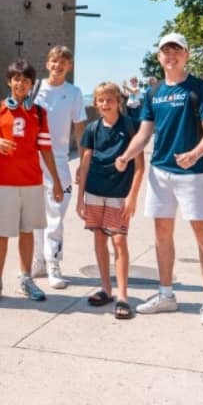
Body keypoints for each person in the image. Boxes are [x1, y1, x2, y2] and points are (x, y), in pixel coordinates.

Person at [115, 33, 203, 326]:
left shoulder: (199, 88)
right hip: (160, 172)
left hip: (192, 173)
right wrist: (126, 155)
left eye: (176, 50)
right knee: (162, 234)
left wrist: (195, 153)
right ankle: (166, 295)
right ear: (159, 57)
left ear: (186, 55)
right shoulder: (155, 93)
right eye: (166, 51)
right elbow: (144, 132)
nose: (170, 55)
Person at [0, 60, 64, 304]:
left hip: (32, 182)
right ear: (9, 81)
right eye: (17, 79)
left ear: (31, 85)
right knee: (1, 233)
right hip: (4, 182)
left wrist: (56, 182)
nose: (21, 84)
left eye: (26, 80)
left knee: (28, 232)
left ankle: (26, 279)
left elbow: (46, 150)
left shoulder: (38, 113)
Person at [76, 82, 145, 319]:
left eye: (110, 100)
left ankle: (123, 295)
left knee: (119, 242)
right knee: (98, 238)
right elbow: (84, 165)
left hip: (119, 194)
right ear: (95, 104)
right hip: (95, 191)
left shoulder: (130, 126)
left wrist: (133, 196)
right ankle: (106, 289)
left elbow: (139, 166)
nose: (105, 104)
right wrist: (80, 199)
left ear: (119, 101)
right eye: (101, 100)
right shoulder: (92, 129)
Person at [31, 45, 87, 289]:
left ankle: (53, 262)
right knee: (34, 215)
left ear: (69, 66)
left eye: (63, 62)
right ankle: (39, 261)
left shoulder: (74, 93)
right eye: (54, 61)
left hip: (61, 161)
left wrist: (84, 163)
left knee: (55, 215)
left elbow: (80, 129)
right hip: (33, 160)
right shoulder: (34, 89)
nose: (58, 66)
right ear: (47, 63)